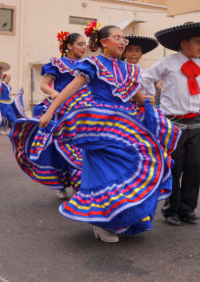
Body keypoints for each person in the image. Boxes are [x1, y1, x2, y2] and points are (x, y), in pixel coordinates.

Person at [39, 24, 180, 242]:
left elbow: (135, 95)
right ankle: (102, 223)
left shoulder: (129, 69)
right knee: (105, 174)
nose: (123, 42)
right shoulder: (93, 63)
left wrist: (152, 106)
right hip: (100, 126)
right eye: (117, 37)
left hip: (127, 126)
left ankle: (125, 217)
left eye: (124, 38)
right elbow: (71, 89)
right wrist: (50, 111)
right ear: (104, 42)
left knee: (138, 165)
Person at [142, 21, 200, 226]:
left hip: (194, 121)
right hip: (172, 122)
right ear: (183, 43)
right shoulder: (167, 62)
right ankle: (171, 209)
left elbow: (199, 91)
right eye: (197, 43)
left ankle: (188, 208)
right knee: (175, 166)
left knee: (194, 166)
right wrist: (150, 97)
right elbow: (146, 78)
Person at [13, 30, 89, 199]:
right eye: (80, 44)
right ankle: (60, 183)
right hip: (60, 108)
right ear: (69, 46)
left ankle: (80, 184)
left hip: (82, 109)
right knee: (61, 146)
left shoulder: (87, 64)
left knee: (81, 145)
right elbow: (44, 85)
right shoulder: (57, 63)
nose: (84, 47)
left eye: (85, 44)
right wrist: (54, 94)